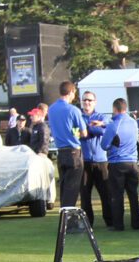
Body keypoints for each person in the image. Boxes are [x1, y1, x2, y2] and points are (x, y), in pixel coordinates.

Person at [100, 98, 139, 230]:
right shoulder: (133, 122)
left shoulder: (113, 125)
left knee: (117, 195)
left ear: (114, 109)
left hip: (117, 162)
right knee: (133, 194)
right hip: (133, 162)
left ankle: (118, 224)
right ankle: (136, 223)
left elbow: (104, 145)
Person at [47, 81, 88, 213]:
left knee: (65, 188)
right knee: (72, 189)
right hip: (73, 152)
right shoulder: (73, 110)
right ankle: (68, 219)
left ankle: (63, 217)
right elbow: (84, 133)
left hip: (61, 152)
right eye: (74, 93)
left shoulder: (51, 109)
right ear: (70, 92)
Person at [80, 91, 112, 226]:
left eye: (90, 100)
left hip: (101, 161)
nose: (87, 102)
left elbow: (105, 130)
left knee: (106, 193)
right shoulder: (78, 117)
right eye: (84, 100)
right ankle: (87, 223)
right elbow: (75, 133)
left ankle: (110, 221)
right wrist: (93, 128)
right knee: (85, 195)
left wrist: (87, 130)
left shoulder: (101, 117)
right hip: (84, 161)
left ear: (95, 102)